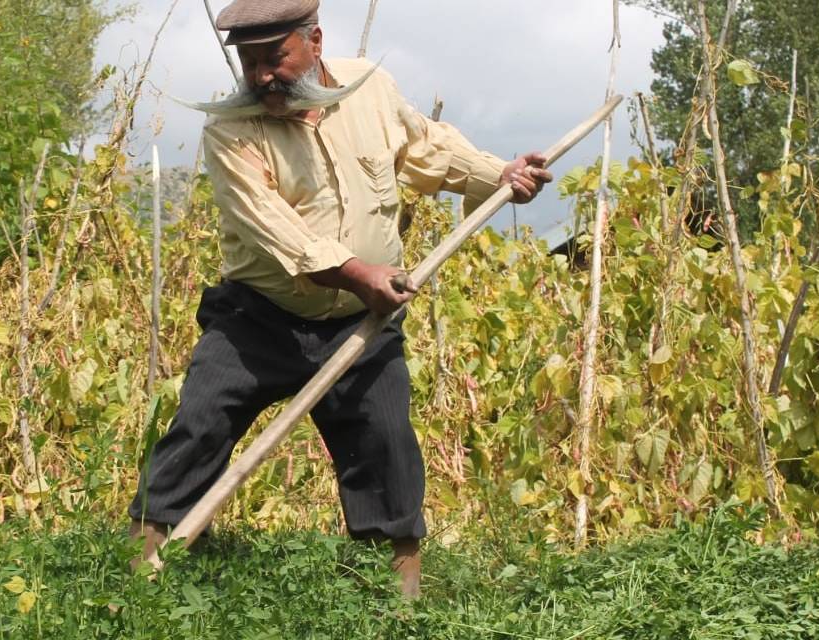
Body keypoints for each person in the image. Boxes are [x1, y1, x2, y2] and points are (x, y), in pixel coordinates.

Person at [129, 0, 552, 598]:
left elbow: (426, 149)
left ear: (316, 41)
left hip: (363, 319)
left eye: (274, 57)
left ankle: (396, 596)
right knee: (199, 424)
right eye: (249, 62)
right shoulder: (231, 130)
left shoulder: (370, 89)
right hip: (258, 316)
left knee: (385, 441)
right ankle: (140, 571)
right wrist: (357, 273)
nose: (262, 76)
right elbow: (276, 231)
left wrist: (498, 176)